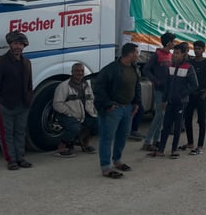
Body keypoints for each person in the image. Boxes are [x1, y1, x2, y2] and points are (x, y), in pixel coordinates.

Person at [93, 43, 142, 179]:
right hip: (113, 109)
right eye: (137, 53)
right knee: (107, 137)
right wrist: (108, 104)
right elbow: (99, 87)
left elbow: (136, 85)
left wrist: (137, 102)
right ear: (131, 53)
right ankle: (106, 167)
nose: (138, 55)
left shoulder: (134, 68)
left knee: (123, 135)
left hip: (128, 107)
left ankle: (117, 160)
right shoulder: (111, 69)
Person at [0, 30, 33, 170]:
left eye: (21, 44)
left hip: (22, 104)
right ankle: (11, 160)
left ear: (24, 46)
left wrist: (29, 99)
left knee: (20, 132)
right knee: (6, 134)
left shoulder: (26, 62)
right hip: (5, 105)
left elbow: (29, 83)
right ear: (10, 45)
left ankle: (21, 158)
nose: (18, 46)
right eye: (15, 43)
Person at [148, 43, 198, 159]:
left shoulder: (188, 67)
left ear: (183, 54)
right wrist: (165, 99)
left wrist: (182, 94)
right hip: (170, 101)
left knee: (177, 127)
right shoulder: (171, 66)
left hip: (181, 102)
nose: (174, 55)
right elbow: (167, 85)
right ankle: (161, 150)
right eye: (174, 53)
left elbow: (194, 85)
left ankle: (174, 150)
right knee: (166, 126)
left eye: (177, 53)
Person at [52, 63, 98, 157]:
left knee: (97, 124)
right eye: (77, 71)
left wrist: (93, 113)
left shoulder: (86, 85)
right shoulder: (64, 86)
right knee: (75, 127)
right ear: (72, 72)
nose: (80, 73)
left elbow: (91, 99)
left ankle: (85, 144)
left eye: (81, 71)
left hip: (83, 114)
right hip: (65, 114)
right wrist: (69, 112)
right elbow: (57, 104)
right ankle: (61, 148)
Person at [141, 32, 176, 151]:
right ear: (168, 42)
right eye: (173, 42)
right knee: (159, 115)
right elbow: (146, 69)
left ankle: (156, 140)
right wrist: (156, 81)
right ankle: (147, 142)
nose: (174, 44)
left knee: (161, 116)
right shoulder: (157, 54)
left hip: (167, 90)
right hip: (159, 90)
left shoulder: (170, 56)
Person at [180, 40, 206, 155]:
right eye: (195, 48)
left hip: (201, 95)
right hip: (191, 95)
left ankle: (200, 145)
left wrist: (205, 95)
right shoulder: (190, 63)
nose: (197, 50)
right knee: (187, 119)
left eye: (199, 49)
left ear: (203, 50)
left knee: (201, 121)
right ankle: (190, 143)